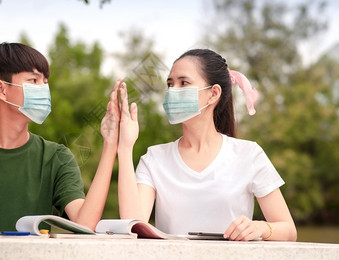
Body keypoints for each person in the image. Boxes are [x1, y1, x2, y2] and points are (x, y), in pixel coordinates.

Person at [0, 42, 121, 237]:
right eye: (33, 81)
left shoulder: (57, 157)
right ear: (1, 89)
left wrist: (110, 145)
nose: (43, 89)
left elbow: (85, 223)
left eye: (45, 82)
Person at [117, 48, 297, 241]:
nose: (172, 91)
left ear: (213, 94)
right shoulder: (155, 158)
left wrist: (260, 228)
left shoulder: (249, 154)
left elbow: (289, 231)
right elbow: (133, 225)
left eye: (183, 83)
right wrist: (125, 148)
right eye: (170, 84)